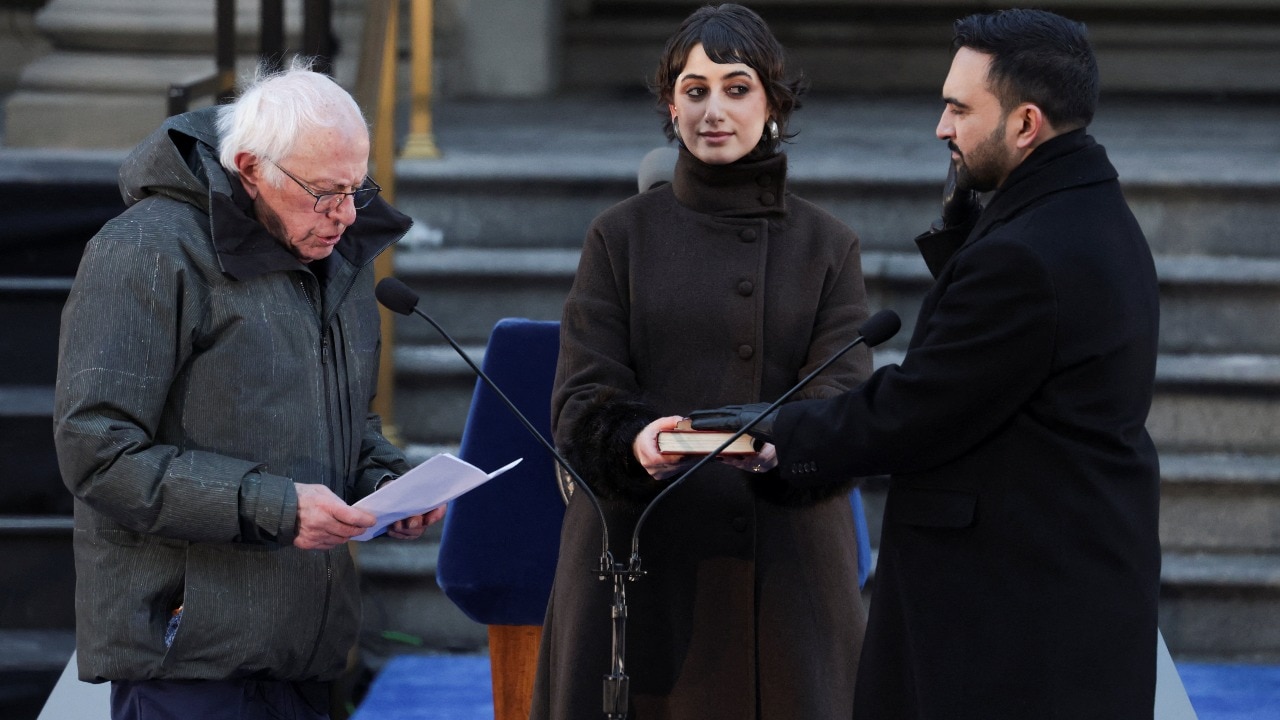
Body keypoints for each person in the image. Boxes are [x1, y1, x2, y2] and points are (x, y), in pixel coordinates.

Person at [690, 8, 1162, 719]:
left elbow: (920, 409)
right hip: (1059, 591)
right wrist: (968, 234)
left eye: (958, 108)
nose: (942, 127)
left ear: (1026, 123)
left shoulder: (1027, 255)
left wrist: (777, 431)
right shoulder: (1085, 211)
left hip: (1010, 622)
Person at [53, 60, 445, 720]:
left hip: (305, 650)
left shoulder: (334, 255)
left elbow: (338, 420)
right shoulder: (146, 251)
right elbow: (98, 452)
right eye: (324, 192)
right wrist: (278, 506)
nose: (346, 215)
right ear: (250, 167)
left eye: (356, 188)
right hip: (189, 655)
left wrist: (384, 487)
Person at [530, 4, 873, 718]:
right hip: (642, 552)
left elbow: (844, 396)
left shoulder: (827, 244)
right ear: (670, 103)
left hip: (784, 570)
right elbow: (583, 392)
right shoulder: (618, 237)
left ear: (773, 102)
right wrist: (633, 443)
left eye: (736, 87)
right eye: (695, 90)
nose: (714, 109)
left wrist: (780, 443)